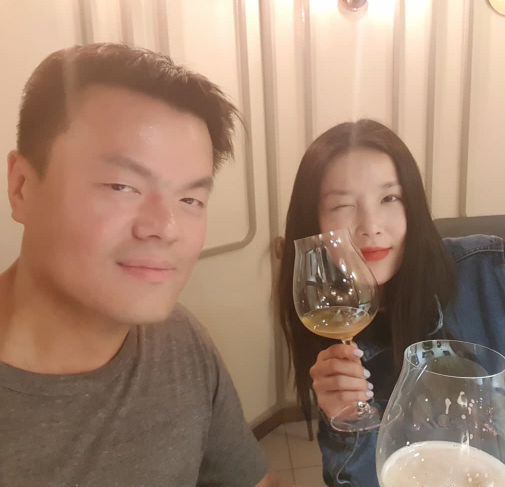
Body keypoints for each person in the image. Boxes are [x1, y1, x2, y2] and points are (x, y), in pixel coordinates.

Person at [0, 43, 294, 487]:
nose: (166, 227)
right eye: (122, 186)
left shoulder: (178, 339)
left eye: (190, 199)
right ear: (22, 186)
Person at [276, 119, 505, 486]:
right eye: (342, 205)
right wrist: (347, 422)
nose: (371, 226)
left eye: (389, 198)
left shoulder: (493, 271)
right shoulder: (333, 327)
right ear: (315, 223)